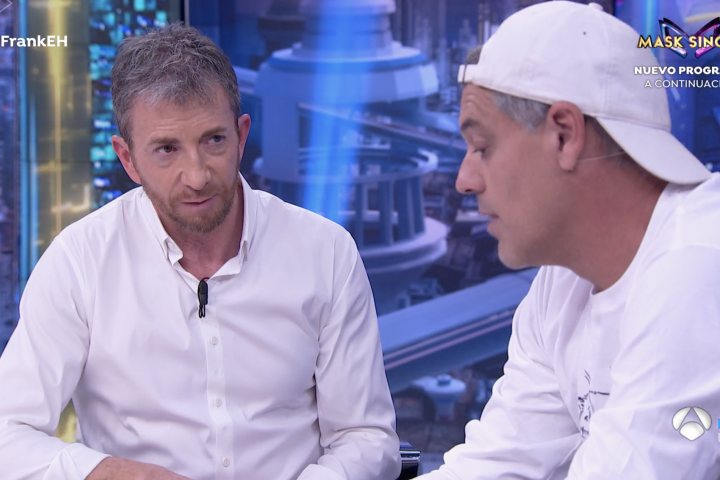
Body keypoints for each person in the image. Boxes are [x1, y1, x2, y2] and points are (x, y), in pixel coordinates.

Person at [0, 24, 400, 480]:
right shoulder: (80, 261)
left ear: (241, 135)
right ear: (128, 159)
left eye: (213, 141)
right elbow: (6, 434)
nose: (196, 176)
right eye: (166, 149)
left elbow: (367, 437)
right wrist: (115, 474)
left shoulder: (325, 252)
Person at [419, 2, 720, 479]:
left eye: (482, 147)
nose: (464, 180)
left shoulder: (699, 264)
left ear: (564, 134)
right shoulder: (562, 285)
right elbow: (497, 464)